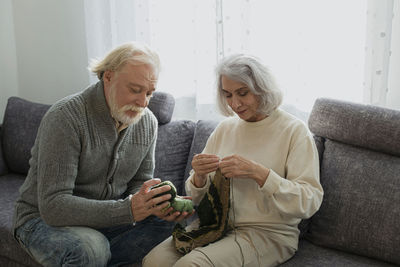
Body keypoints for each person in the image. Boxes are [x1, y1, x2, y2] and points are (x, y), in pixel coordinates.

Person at [13, 42, 191, 267]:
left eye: (149, 93)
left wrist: (151, 203)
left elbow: (139, 183)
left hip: (106, 219)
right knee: (91, 248)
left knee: (174, 227)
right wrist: (128, 209)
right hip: (40, 220)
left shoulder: (147, 122)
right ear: (108, 77)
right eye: (135, 90)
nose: (143, 102)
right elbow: (53, 206)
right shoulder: (66, 117)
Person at [143, 54, 324, 267]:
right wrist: (199, 176)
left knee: (190, 265)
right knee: (154, 261)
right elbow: (197, 198)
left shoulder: (294, 131)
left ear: (262, 89)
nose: (235, 104)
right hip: (215, 224)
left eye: (242, 93)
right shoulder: (225, 128)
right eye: (228, 95)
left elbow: (309, 200)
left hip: (268, 233)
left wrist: (259, 173)